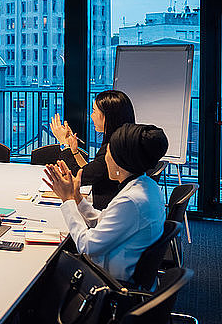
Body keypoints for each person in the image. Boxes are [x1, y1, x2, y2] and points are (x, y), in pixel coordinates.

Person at [43, 123, 168, 282]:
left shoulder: (131, 201)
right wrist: (76, 197)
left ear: (119, 160)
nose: (105, 158)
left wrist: (67, 200)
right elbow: (104, 220)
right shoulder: (146, 185)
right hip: (121, 269)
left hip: (109, 281)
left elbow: (86, 246)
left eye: (108, 152)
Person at [50, 90, 135, 209]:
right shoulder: (121, 141)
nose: (91, 115)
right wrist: (74, 151)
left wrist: (64, 144)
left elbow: (82, 177)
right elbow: (91, 171)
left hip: (106, 210)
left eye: (94, 111)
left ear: (107, 115)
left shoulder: (113, 148)